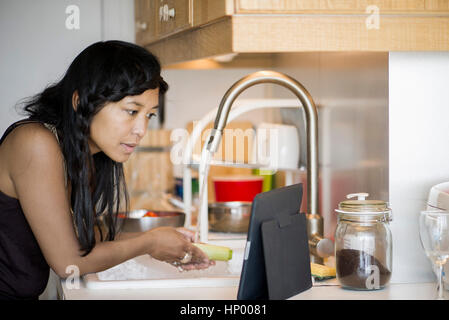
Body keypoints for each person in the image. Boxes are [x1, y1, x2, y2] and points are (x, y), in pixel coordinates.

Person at [0, 40, 213, 300]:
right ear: (80, 102)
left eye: (149, 115)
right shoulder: (35, 142)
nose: (141, 130)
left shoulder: (86, 155)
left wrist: (155, 238)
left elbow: (81, 237)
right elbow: (69, 261)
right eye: (132, 111)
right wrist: (150, 242)